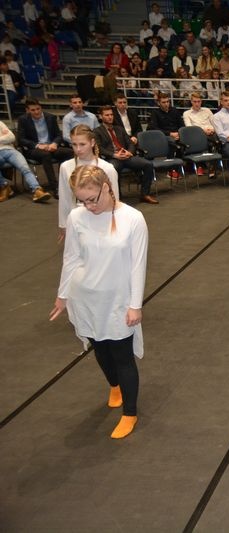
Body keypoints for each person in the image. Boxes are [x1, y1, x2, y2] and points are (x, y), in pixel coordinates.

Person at [49, 162, 148, 439]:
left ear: (106, 188)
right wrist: (62, 295)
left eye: (92, 199)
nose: (89, 206)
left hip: (118, 301)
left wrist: (135, 305)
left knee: (123, 356)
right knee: (100, 349)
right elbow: (71, 258)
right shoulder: (76, 217)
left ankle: (130, 413)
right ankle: (114, 386)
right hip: (85, 298)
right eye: (82, 201)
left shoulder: (133, 218)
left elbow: (138, 265)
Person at [58, 125, 120, 240]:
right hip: (77, 220)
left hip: (101, 220)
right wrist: (63, 224)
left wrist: (115, 224)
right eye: (74, 144)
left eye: (82, 144)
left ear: (92, 142)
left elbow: (114, 199)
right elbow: (64, 198)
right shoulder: (65, 167)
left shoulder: (107, 168)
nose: (78, 149)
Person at [95, 106, 157, 204]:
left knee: (148, 164)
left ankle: (145, 194)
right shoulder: (97, 131)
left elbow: (130, 143)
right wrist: (114, 155)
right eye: (107, 115)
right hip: (112, 158)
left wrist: (130, 152)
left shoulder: (119, 129)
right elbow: (99, 148)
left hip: (126, 156)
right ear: (101, 116)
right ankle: (117, 198)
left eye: (111, 115)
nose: (110, 117)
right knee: (113, 170)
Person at [17, 98, 73, 195]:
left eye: (38, 109)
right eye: (33, 110)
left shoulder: (50, 117)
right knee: (46, 155)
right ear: (27, 110)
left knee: (70, 152)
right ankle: (55, 187)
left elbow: (58, 135)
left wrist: (55, 143)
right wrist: (37, 145)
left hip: (51, 146)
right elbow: (21, 139)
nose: (36, 112)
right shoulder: (23, 120)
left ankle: (64, 181)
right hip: (34, 149)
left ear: (41, 107)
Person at [0, 119, 52, 203]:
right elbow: (7, 137)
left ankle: (37, 190)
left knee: (25, 168)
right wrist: (4, 138)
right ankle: (4, 186)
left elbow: (11, 137)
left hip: (11, 151)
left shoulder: (0, 123)